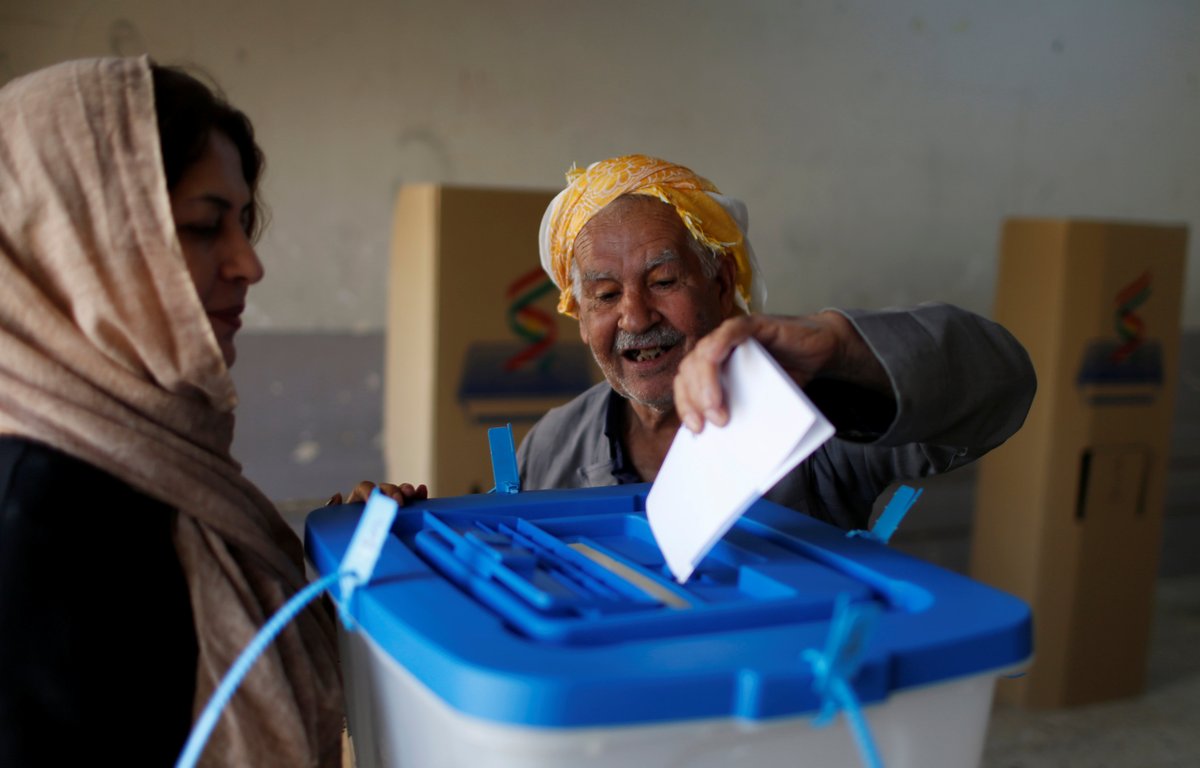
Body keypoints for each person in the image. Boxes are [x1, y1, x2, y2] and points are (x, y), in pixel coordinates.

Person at [0, 57, 344, 766]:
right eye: (202, 226)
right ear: (69, 246)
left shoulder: (159, 459)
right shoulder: (37, 519)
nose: (249, 264)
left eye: (244, 224)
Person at [517, 154, 1036, 530]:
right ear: (581, 318)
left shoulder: (806, 407)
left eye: (664, 281)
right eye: (605, 294)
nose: (635, 313)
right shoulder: (552, 444)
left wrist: (840, 344)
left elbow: (1003, 385)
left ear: (721, 286)